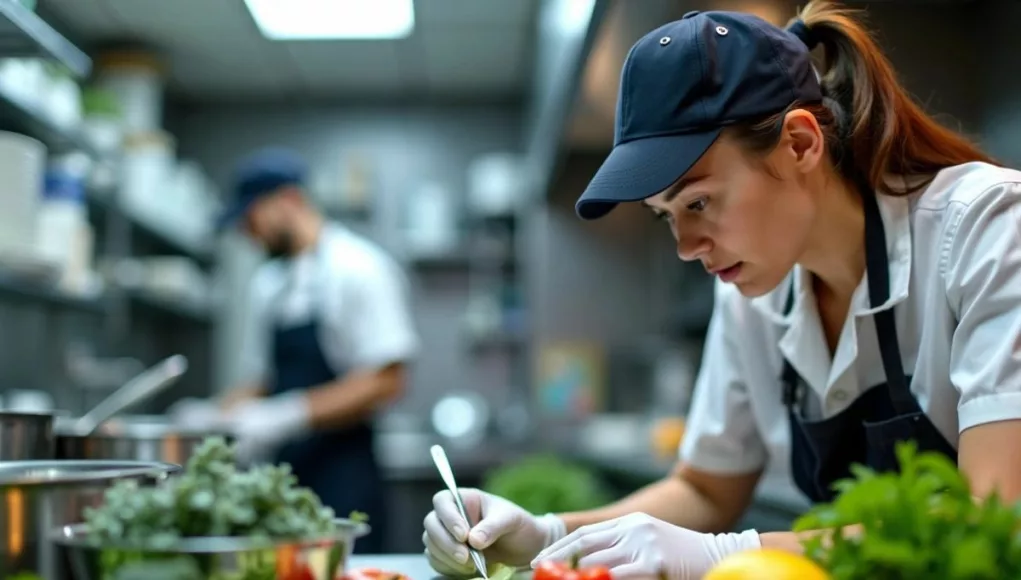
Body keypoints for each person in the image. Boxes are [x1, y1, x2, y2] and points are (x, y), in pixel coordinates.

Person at [422, 1, 1021, 578]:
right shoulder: (751, 297)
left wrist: (723, 553)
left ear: (800, 144)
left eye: (700, 201)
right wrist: (549, 537)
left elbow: (994, 517)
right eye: (666, 214)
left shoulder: (988, 229)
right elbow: (706, 488)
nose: (686, 245)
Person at [180, 147, 419, 554]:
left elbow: (386, 380)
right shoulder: (268, 283)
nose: (246, 232)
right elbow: (263, 380)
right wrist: (214, 415)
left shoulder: (358, 267)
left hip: (345, 473)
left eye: (250, 217)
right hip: (283, 478)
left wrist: (289, 414)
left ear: (288, 201)